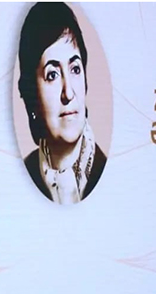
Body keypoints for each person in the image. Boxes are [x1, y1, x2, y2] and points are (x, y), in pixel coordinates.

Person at [17, 2, 107, 204]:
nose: (68, 93)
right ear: (32, 94)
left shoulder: (107, 170)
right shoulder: (24, 173)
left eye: (75, 69)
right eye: (52, 75)